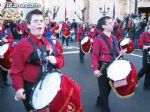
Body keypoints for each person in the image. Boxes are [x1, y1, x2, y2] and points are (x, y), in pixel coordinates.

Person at [10, 9, 64, 112]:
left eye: (41, 21)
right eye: (35, 21)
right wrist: (19, 88)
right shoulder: (21, 46)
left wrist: (56, 60)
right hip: (30, 88)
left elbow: (61, 61)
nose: (40, 23)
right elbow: (15, 71)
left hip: (49, 85)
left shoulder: (51, 43)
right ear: (29, 25)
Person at [91, 16, 126, 112]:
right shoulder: (98, 39)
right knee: (104, 90)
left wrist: (121, 52)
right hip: (103, 67)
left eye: (112, 22)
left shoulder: (114, 37)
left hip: (113, 66)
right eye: (110, 23)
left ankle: (99, 100)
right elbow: (94, 55)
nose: (113, 24)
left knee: (110, 88)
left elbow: (116, 52)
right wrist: (95, 69)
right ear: (104, 26)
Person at [0, 13, 14, 92]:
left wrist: (7, 40)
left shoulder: (7, 30)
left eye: (1, 19)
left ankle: (5, 81)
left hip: (6, 53)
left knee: (5, 68)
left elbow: (12, 39)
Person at [138, 23, 150, 90]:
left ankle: (146, 85)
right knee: (145, 68)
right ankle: (134, 80)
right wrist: (147, 46)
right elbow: (140, 44)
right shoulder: (144, 34)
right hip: (146, 53)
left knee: (149, 70)